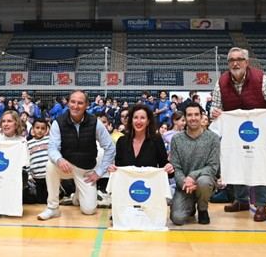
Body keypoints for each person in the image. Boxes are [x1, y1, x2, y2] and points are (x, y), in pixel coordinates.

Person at [211, 47, 266, 222]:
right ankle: (241, 201)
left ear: (246, 62)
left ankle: (261, 205)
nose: (235, 63)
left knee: (260, 164)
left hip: (259, 132)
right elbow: (215, 106)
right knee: (236, 163)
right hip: (234, 132)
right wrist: (215, 113)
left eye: (239, 59)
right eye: (231, 60)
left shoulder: (261, 79)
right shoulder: (221, 82)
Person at [37, 90, 115, 220]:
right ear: (68, 103)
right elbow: (52, 148)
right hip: (65, 166)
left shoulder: (95, 123)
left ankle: (78, 194)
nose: (75, 106)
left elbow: (110, 148)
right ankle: (53, 208)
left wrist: (99, 172)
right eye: (73, 102)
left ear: (86, 105)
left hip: (86, 170)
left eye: (80, 103)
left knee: (89, 210)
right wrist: (59, 160)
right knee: (50, 165)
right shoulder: (58, 122)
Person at [170, 103, 220, 225]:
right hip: (185, 185)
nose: (193, 118)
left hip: (204, 182)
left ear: (202, 116)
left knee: (203, 181)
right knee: (177, 218)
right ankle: (190, 206)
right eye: (189, 115)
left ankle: (202, 208)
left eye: (196, 114)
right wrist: (185, 182)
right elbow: (176, 168)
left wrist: (192, 176)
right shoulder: (176, 140)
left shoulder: (213, 138)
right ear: (185, 118)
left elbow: (213, 167)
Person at [109, 104, 173, 174]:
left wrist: (169, 168)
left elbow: (164, 168)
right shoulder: (121, 141)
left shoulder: (156, 140)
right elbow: (118, 169)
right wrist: (113, 170)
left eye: (142, 118)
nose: (138, 121)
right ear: (131, 120)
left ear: (148, 121)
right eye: (135, 117)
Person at [26, 118, 50, 204]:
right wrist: (29, 175)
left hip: (49, 176)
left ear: (46, 130)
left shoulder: (49, 140)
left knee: (50, 199)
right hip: (36, 178)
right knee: (40, 200)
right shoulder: (28, 144)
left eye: (43, 128)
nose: (40, 130)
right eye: (37, 127)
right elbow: (27, 160)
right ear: (32, 129)